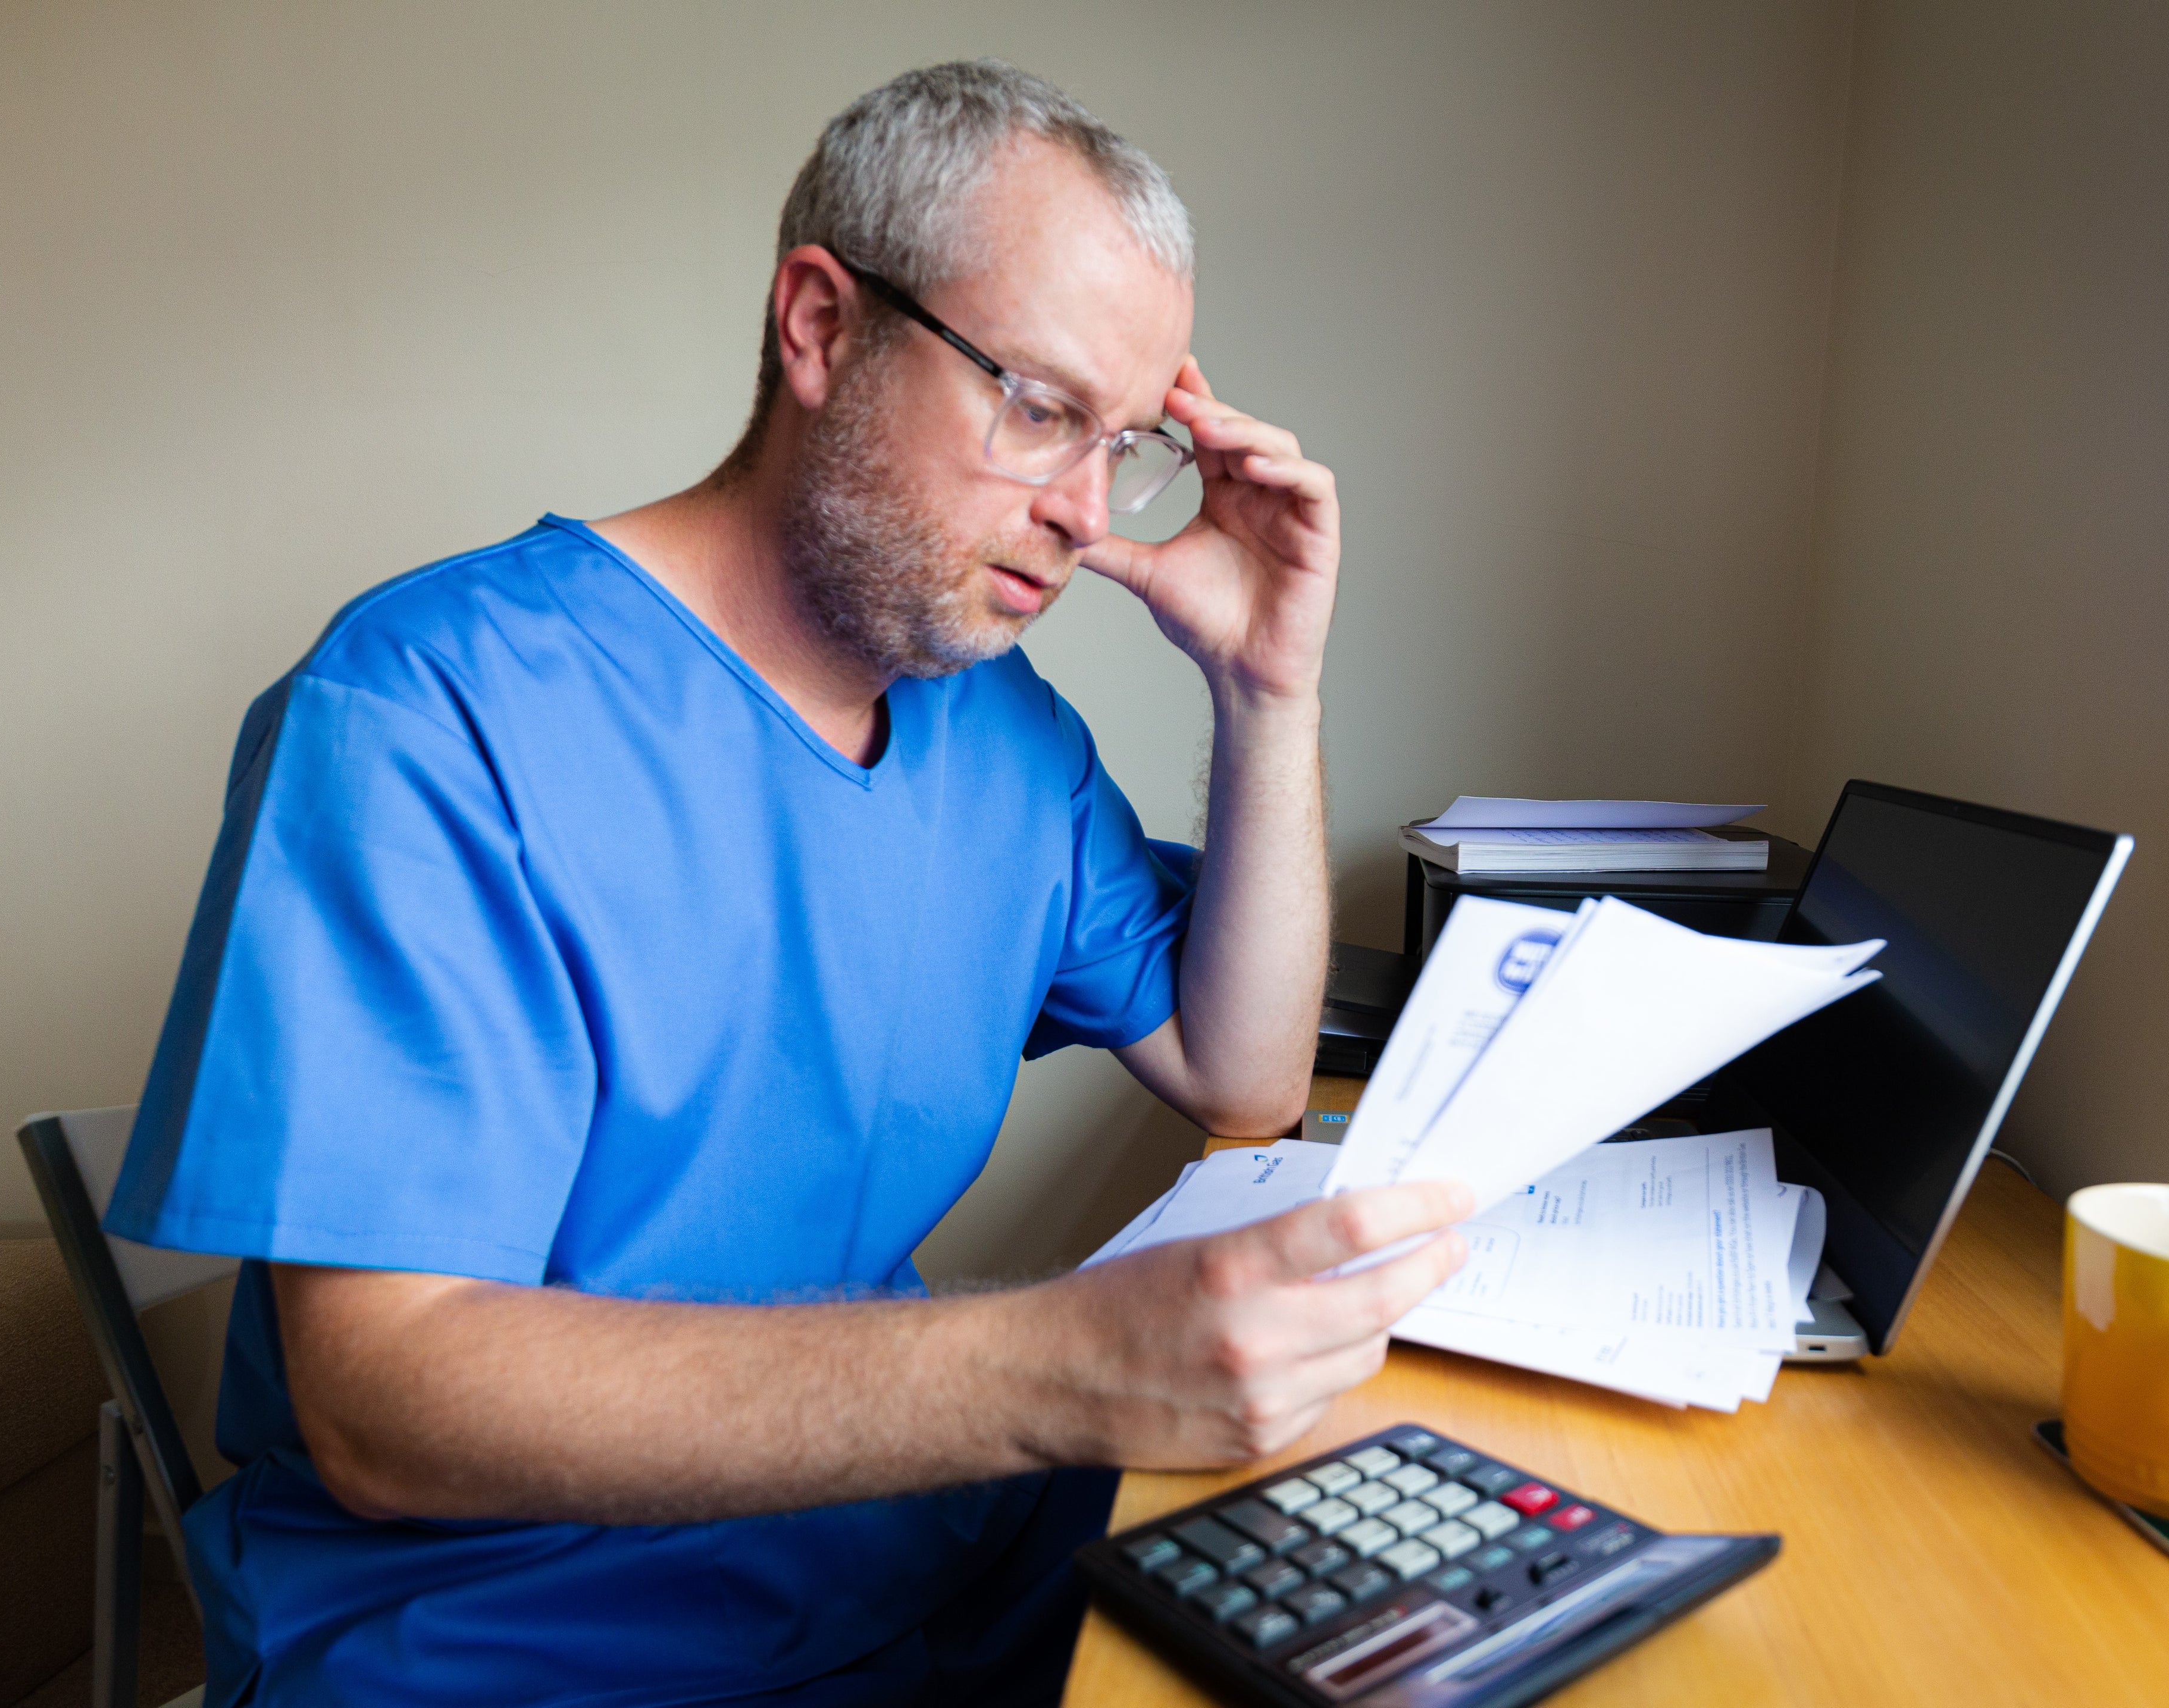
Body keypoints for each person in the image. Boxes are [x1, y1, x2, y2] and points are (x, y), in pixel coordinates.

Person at [107, 59, 1472, 1707]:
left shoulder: (1000, 737)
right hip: (513, 1652)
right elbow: (383, 1406)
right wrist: (1060, 1365)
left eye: (1124, 445)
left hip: (900, 1566)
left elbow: (1239, 1072)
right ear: (822, 327)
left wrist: (1269, 691)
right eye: (1039, 406)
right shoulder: (430, 708)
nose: (1084, 516)